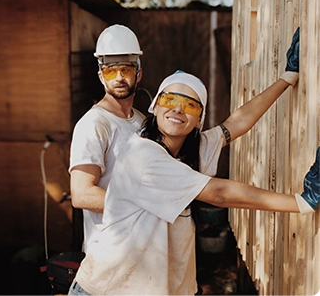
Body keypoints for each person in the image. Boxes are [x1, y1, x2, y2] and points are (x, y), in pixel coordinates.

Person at [67, 68, 319, 296]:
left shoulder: (188, 150)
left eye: (190, 105)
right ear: (155, 106)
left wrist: (287, 78)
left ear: (199, 120)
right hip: (107, 290)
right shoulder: (143, 156)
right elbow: (219, 193)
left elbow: (235, 124)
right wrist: (301, 202)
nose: (178, 109)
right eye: (170, 100)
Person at [69, 24, 145, 252]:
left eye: (126, 69)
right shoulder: (93, 125)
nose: (119, 77)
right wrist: (145, 206)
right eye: (111, 71)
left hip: (139, 248)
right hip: (107, 253)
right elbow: (82, 194)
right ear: (101, 76)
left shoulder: (141, 122)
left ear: (138, 73)